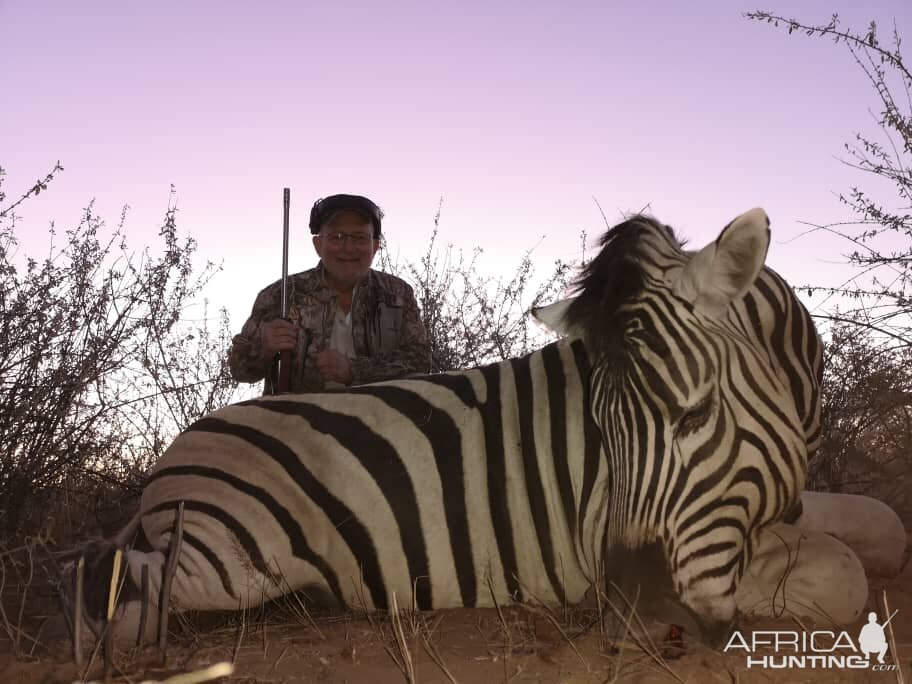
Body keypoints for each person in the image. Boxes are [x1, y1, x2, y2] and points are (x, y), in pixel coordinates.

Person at [228, 193, 431, 394]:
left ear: (375, 246)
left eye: (360, 238)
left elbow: (421, 360)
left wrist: (355, 371)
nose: (348, 248)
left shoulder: (397, 294)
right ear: (318, 245)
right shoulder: (279, 295)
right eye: (337, 237)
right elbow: (239, 370)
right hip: (296, 421)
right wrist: (263, 348)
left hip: (381, 420)